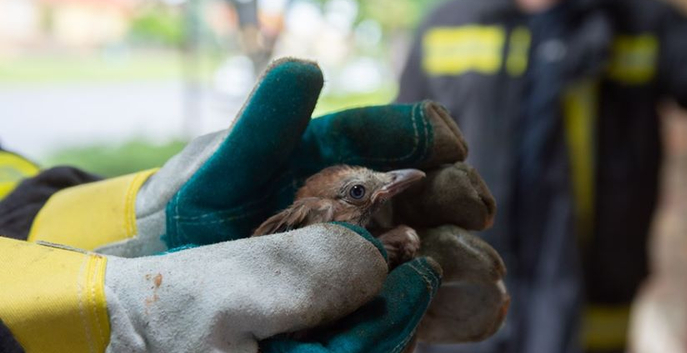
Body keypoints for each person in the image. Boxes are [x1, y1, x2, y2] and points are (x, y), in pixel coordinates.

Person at [0, 58, 506, 352]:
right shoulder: (299, 235)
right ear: (323, 212)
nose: (391, 184)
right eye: (356, 192)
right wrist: (125, 322)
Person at [397, 0, 687, 352]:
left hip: (592, 316)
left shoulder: (640, 24)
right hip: (464, 305)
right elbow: (399, 150)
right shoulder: (445, 25)